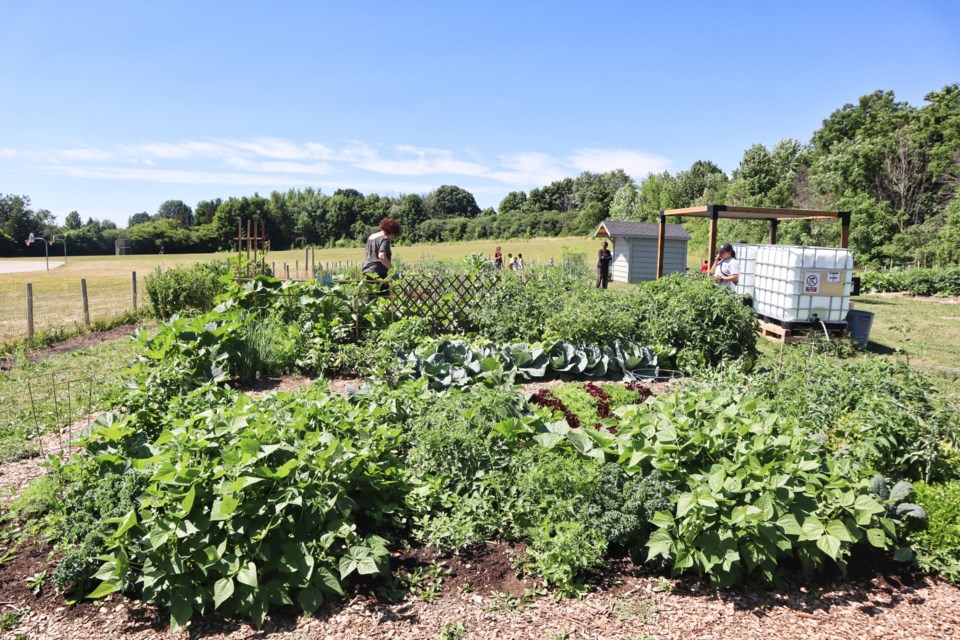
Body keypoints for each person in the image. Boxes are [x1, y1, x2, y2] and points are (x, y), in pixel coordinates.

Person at [362, 218, 401, 294]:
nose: (393, 237)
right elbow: (382, 256)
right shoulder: (385, 239)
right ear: (392, 231)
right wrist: (393, 271)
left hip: (367, 271)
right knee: (384, 300)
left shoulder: (371, 237)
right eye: (394, 235)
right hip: (379, 273)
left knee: (370, 300)